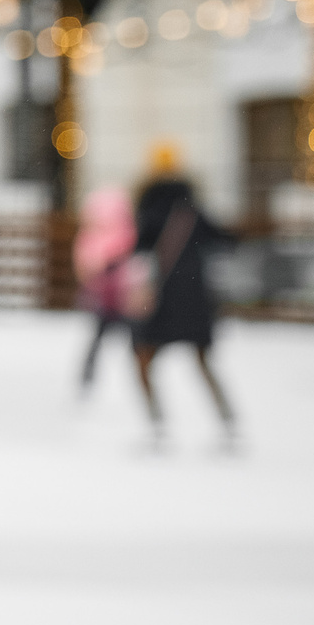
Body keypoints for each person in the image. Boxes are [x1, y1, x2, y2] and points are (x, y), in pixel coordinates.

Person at [128, 142, 235, 442]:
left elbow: (138, 252)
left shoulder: (148, 208)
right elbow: (225, 240)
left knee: (143, 359)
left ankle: (156, 422)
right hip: (195, 300)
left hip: (161, 300)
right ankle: (227, 419)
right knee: (202, 361)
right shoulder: (192, 209)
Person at [73, 186, 135, 391]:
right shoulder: (126, 233)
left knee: (100, 337)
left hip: (109, 297)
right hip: (120, 297)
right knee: (129, 338)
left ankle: (89, 374)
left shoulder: (93, 236)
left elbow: (85, 265)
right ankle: (134, 375)